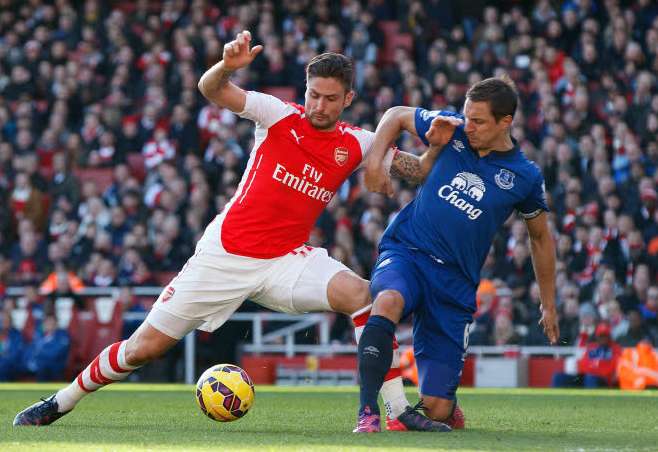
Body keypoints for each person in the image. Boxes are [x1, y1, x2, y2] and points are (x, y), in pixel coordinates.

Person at [14, 30, 442, 431]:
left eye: (331, 99)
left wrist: (438, 135)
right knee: (143, 348)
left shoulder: (359, 144)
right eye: (313, 94)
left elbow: (420, 171)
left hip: (285, 260)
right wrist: (225, 67)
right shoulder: (278, 115)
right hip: (226, 254)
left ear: (348, 98)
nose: (319, 105)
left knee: (364, 296)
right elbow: (211, 89)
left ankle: (397, 411)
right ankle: (61, 401)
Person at [353, 76, 560, 433]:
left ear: (505, 122)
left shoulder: (524, 176)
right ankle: (369, 411)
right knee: (387, 300)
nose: (469, 126)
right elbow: (396, 114)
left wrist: (549, 304)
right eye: (468, 116)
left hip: (454, 283)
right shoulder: (453, 128)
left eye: (478, 121)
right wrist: (374, 164)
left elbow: (540, 238)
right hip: (408, 250)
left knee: (436, 409)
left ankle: (446, 405)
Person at [552, 322, 621, 388]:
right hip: (585, 376)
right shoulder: (591, 347)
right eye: (601, 336)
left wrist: (593, 370)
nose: (603, 338)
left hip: (603, 379)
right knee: (558, 377)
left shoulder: (615, 349)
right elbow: (582, 364)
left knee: (590, 378)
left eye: (605, 336)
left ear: (609, 337)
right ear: (597, 336)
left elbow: (614, 368)